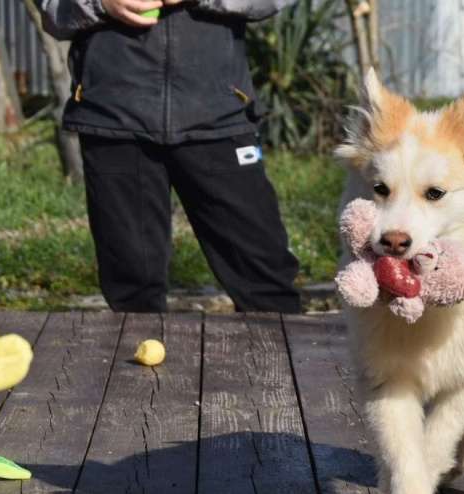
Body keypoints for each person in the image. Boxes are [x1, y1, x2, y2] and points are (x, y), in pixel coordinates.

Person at [38, 0, 301, 313]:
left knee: (265, 278)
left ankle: (278, 359)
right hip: (114, 120)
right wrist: (100, 3)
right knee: (132, 287)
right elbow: (53, 13)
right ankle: (137, 360)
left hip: (218, 115)